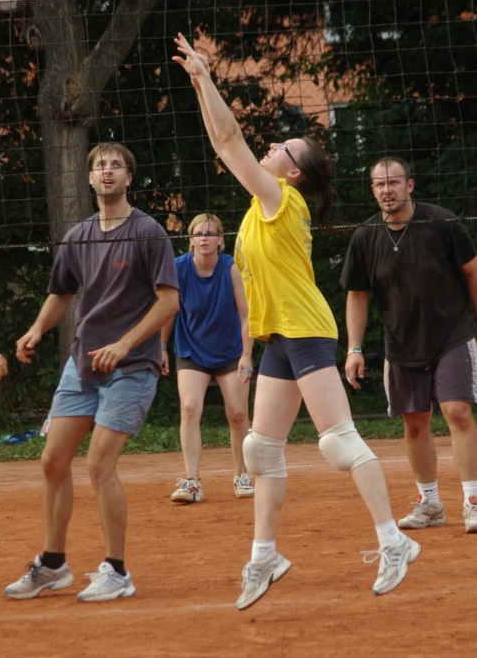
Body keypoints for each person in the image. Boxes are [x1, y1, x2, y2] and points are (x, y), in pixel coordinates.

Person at [173, 33, 420, 610]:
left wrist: (206, 78)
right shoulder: (261, 203)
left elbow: (230, 140)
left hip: (305, 329)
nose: (271, 146)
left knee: (338, 442)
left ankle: (394, 541)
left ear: (294, 174)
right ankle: (265, 556)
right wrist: (199, 85)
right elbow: (222, 143)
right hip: (280, 335)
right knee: (261, 450)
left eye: (283, 146)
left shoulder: (282, 200)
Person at [5, 142, 179, 602]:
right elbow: (62, 293)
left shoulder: (148, 232)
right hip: (82, 365)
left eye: (116, 165)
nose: (107, 171)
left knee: (99, 464)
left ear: (128, 178)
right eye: (100, 165)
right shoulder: (77, 236)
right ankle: (54, 564)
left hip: (131, 366)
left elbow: (169, 301)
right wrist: (37, 329)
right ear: (88, 178)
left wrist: (125, 344)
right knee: (52, 461)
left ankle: (117, 571)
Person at [340, 156, 477, 534]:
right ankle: (430, 504)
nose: (387, 190)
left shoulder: (442, 223)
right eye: (380, 184)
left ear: (409, 185)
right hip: (401, 341)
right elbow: (357, 295)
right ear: (373, 190)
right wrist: (354, 349)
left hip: (452, 333)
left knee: (457, 411)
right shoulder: (365, 236)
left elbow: (472, 272)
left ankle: (473, 501)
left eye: (394, 182)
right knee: (415, 422)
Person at [161, 212, 254, 504]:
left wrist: (247, 355)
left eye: (211, 234)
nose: (204, 239)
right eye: (199, 234)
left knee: (238, 414)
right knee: (190, 408)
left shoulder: (231, 268)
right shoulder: (178, 268)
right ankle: (192, 482)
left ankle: (242, 475)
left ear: (220, 240)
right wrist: (161, 346)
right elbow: (167, 310)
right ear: (190, 239)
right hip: (192, 350)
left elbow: (246, 316)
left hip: (230, 351)